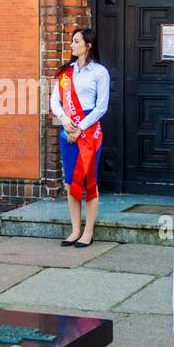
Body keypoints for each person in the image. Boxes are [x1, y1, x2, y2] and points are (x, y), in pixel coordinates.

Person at [50, 26, 109, 247]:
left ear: (88, 45)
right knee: (70, 182)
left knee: (89, 183)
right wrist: (65, 120)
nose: (72, 45)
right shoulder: (65, 72)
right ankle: (75, 230)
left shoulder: (99, 72)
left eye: (76, 41)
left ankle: (88, 232)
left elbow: (101, 106)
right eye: (72, 41)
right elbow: (54, 101)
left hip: (89, 130)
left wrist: (80, 127)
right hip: (68, 129)